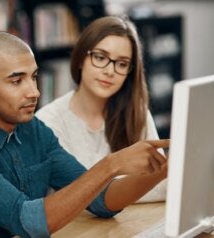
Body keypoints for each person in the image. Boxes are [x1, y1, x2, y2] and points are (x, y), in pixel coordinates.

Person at [0, 30, 169, 238]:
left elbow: (102, 201)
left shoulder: (33, 128)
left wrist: (167, 168)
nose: (34, 92)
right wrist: (111, 165)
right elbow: (26, 220)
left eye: (33, 77)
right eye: (16, 81)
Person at [36, 16, 166, 203]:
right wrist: (135, 184)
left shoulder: (136, 112)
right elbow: (79, 199)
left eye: (122, 64)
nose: (109, 71)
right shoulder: (47, 122)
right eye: (100, 57)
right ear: (81, 58)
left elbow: (162, 183)